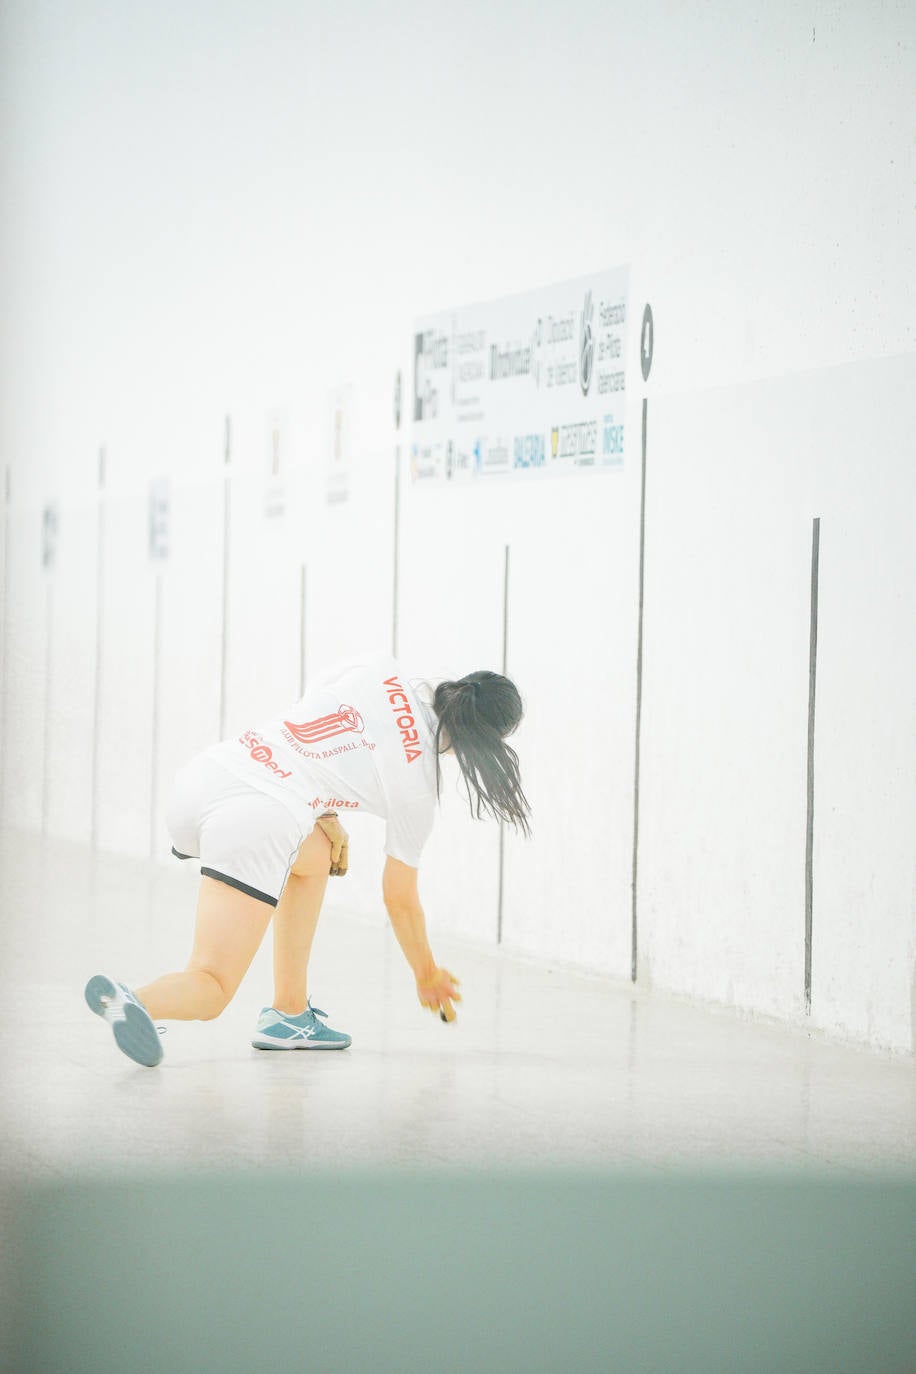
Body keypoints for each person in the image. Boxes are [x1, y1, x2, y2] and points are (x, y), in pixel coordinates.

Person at [84, 655, 531, 1066]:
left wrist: (327, 814)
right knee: (212, 986)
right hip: (255, 818)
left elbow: (313, 735)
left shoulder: (380, 671)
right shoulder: (418, 786)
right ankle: (131, 1000)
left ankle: (289, 1014)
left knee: (317, 856)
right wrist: (427, 972)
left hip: (205, 778)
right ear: (480, 742)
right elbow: (400, 899)